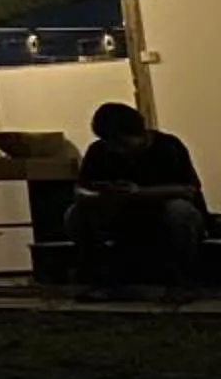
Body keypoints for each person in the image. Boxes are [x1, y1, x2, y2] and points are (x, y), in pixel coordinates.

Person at [68, 102, 206, 297]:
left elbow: (189, 189)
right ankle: (101, 280)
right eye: (111, 144)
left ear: (139, 135)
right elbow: (81, 187)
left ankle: (181, 282)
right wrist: (97, 196)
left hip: (161, 211)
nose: (117, 150)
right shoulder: (99, 150)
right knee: (75, 214)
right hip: (119, 214)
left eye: (122, 144)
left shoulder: (168, 146)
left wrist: (140, 193)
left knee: (179, 212)